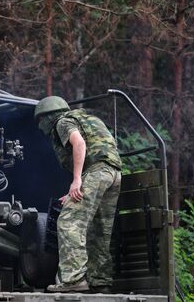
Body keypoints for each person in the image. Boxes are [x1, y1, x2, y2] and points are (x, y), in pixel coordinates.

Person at [34, 96, 122, 294]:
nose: (41, 126)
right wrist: (76, 187)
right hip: (113, 174)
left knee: (68, 222)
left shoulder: (62, 122)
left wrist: (77, 181)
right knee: (99, 230)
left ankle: (73, 279)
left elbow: (79, 144)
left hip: (97, 172)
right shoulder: (86, 118)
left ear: (47, 116)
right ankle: (101, 282)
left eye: (40, 120)